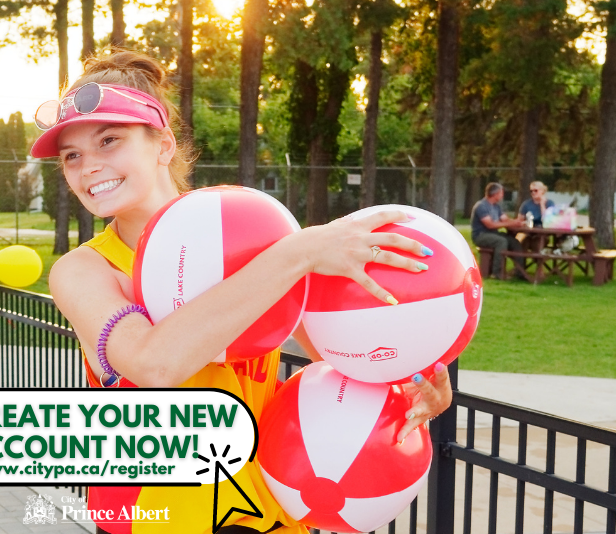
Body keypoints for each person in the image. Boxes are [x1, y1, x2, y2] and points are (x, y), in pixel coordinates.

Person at [33, 48, 453, 534]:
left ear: (163, 145)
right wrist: (298, 253)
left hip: (271, 511)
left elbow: (339, 353)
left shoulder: (253, 233)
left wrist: (407, 386)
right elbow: (154, 364)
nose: (88, 167)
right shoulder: (84, 268)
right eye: (71, 155)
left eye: (109, 140)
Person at [471, 182, 526, 279]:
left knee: (514, 242)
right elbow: (490, 225)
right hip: (481, 235)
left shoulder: (497, 206)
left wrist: (517, 222)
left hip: (493, 233)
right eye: (501, 193)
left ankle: (520, 271)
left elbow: (505, 219)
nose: (502, 195)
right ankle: (497, 273)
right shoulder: (481, 206)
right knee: (501, 241)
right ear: (495, 194)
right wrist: (510, 223)